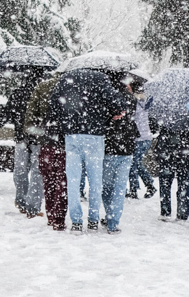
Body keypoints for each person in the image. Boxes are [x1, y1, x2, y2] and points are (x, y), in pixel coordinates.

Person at [52, 68, 134, 232]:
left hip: (72, 135)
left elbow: (54, 105)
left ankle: (76, 221)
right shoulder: (100, 78)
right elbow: (117, 103)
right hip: (94, 135)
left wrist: (64, 123)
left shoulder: (66, 78)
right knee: (95, 182)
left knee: (73, 181)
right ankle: (93, 219)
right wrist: (112, 114)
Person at [23, 75, 67, 230]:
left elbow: (30, 118)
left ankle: (51, 215)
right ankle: (58, 217)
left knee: (48, 180)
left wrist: (39, 132)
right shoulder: (73, 87)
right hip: (65, 142)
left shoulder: (44, 88)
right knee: (61, 182)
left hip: (47, 142)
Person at [99, 75, 141, 234]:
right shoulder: (131, 99)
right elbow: (131, 120)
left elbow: (103, 121)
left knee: (107, 187)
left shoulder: (106, 98)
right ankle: (113, 221)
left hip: (109, 147)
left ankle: (109, 214)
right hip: (127, 147)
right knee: (119, 187)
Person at [6, 70, 46, 216]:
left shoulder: (18, 93)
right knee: (37, 172)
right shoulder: (44, 94)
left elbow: (8, 114)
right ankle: (33, 205)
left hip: (21, 137)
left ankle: (21, 200)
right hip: (38, 138)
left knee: (20, 171)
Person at [154, 125, 189, 222]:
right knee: (183, 186)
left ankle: (165, 212)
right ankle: (182, 213)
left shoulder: (166, 120)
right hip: (184, 154)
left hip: (167, 154)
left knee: (165, 185)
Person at [131, 93, 158, 198]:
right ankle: (147, 186)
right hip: (146, 138)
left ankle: (136, 189)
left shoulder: (136, 105)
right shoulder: (145, 104)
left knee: (133, 163)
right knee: (135, 163)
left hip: (139, 138)